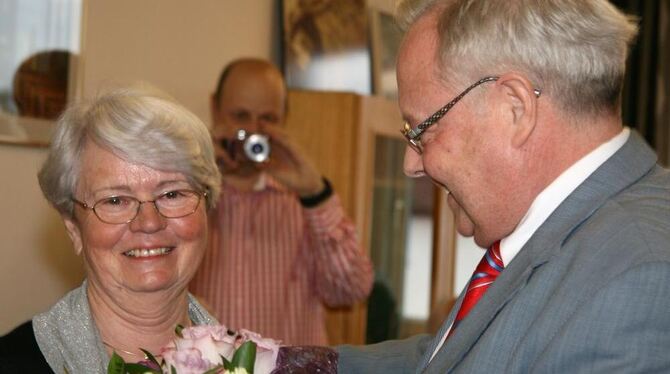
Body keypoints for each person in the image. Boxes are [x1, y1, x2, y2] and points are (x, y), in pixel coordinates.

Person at [337, 0, 670, 372]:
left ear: (514, 108)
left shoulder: (638, 279)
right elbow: (451, 358)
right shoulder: (580, 235)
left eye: (423, 130)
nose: (411, 164)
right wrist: (287, 362)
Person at [0, 87, 222, 372]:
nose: (150, 222)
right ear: (73, 229)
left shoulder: (255, 362)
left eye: (172, 194)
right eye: (115, 200)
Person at [190, 58, 373, 346]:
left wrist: (316, 193)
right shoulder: (186, 195)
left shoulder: (302, 201)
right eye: (240, 116)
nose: (253, 131)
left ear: (284, 119)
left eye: (268, 119)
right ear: (215, 108)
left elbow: (350, 290)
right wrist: (193, 177)